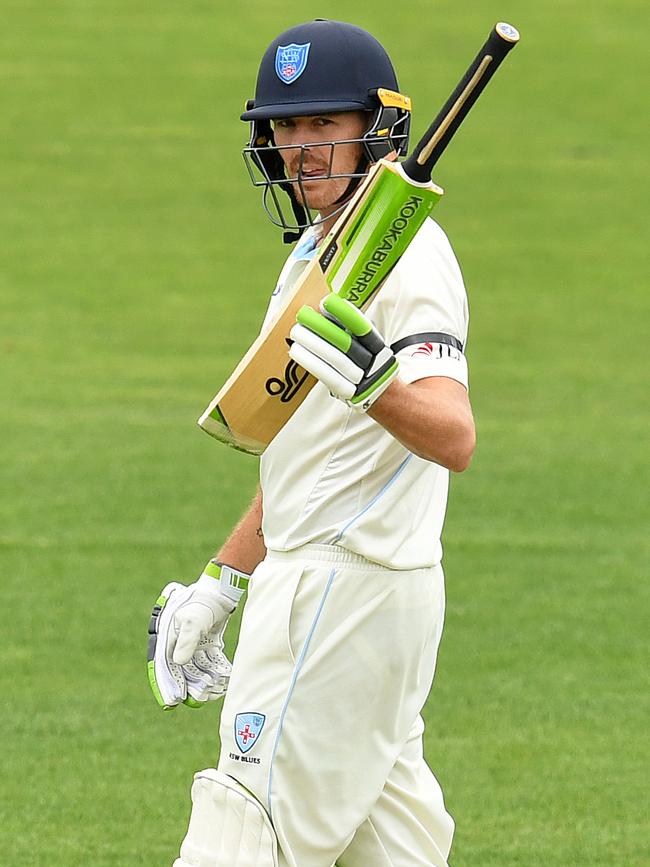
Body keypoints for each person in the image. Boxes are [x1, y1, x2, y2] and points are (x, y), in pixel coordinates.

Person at [147, 18, 476, 867]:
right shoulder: (314, 257)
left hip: (339, 594)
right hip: (363, 597)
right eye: (286, 128)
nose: (301, 148)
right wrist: (224, 580)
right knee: (394, 851)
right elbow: (302, 455)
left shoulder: (410, 256)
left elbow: (454, 434)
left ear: (375, 127)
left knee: (238, 836)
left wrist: (378, 388)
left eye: (323, 124)